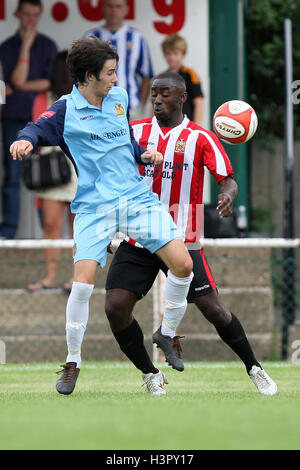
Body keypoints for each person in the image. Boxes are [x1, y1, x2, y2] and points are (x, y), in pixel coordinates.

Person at [10, 37, 194, 397]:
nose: (116, 78)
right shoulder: (65, 110)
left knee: (184, 265)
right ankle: (73, 361)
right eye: (110, 72)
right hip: (94, 207)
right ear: (89, 75)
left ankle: (166, 333)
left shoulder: (120, 99)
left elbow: (125, 142)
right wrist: (25, 140)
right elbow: (36, 127)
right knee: (82, 283)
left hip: (137, 198)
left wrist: (143, 156)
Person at [104, 72, 278, 396]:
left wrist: (227, 194)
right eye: (154, 94)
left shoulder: (201, 137)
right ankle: (150, 373)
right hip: (139, 236)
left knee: (214, 310)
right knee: (115, 308)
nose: (157, 99)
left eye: (165, 94)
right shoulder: (136, 132)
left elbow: (226, 179)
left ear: (182, 97)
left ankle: (255, 368)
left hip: (182, 236)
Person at [0, 0, 58, 239]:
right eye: (27, 15)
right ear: (17, 14)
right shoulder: (7, 46)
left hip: (41, 118)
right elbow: (9, 81)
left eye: (35, 15)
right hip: (13, 118)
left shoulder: (47, 45)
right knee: (13, 176)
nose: (30, 20)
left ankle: (48, 233)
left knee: (47, 176)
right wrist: (25, 46)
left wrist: (19, 86)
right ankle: (8, 233)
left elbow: (49, 82)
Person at [26, 50, 78, 292]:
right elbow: (39, 129)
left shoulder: (82, 97)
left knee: (79, 226)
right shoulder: (43, 97)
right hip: (52, 168)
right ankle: (50, 276)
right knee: (51, 225)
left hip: (78, 166)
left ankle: (77, 278)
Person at [83, 0, 153, 119]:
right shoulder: (90, 38)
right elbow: (83, 74)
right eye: (109, 6)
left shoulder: (137, 37)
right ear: (103, 8)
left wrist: (140, 105)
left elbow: (146, 75)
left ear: (126, 9)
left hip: (131, 109)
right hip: (98, 109)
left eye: (118, 6)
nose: (114, 10)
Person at [160, 34, 204, 125]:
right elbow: (156, 103)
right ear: (164, 54)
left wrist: (197, 127)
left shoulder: (190, 74)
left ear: (183, 54)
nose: (172, 58)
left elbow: (199, 102)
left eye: (176, 53)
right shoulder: (160, 77)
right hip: (165, 127)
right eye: (168, 53)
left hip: (186, 126)